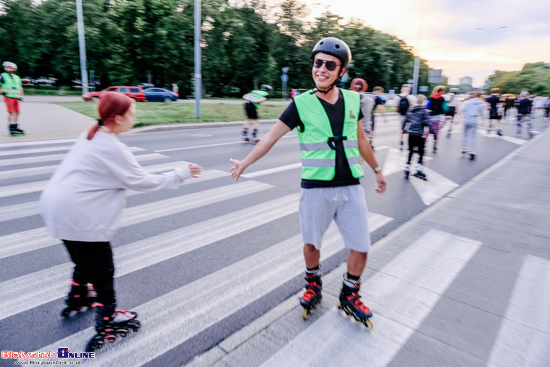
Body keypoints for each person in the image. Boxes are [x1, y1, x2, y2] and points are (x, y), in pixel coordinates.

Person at [230, 37, 387, 329]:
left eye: (330, 65)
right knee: (312, 243)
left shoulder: (353, 100)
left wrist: (377, 168)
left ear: (341, 72)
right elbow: (270, 137)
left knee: (361, 246)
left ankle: (350, 293)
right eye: (318, 63)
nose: (322, 69)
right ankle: (313, 284)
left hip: (351, 186)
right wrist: (245, 162)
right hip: (316, 188)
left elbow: (362, 140)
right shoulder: (300, 104)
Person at [40, 92, 202, 352]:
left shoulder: (93, 132)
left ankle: (78, 295)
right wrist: (180, 173)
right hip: (79, 215)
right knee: (103, 271)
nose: (135, 119)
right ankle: (107, 321)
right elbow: (142, 181)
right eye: (132, 115)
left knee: (84, 260)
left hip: (57, 208)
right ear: (117, 118)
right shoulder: (110, 146)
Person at [402, 94, 433, 180]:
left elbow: (406, 120)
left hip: (410, 134)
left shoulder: (410, 110)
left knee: (410, 151)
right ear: (423, 101)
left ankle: (407, 168)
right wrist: (432, 130)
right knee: (421, 151)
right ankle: (419, 169)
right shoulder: (423, 111)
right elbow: (427, 122)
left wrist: (403, 129)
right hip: (419, 134)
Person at [0, 61, 25, 135]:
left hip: (16, 98)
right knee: (11, 112)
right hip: (8, 97)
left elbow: (20, 87)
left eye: (8, 67)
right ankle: (11, 128)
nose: (6, 68)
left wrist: (21, 96)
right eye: (5, 67)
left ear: (14, 69)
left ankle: (15, 126)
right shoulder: (2, 75)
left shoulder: (17, 77)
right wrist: (2, 92)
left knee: (17, 112)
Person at [350, 78, 375, 151]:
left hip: (351, 135)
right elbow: (370, 118)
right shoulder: (370, 100)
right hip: (365, 134)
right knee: (360, 161)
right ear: (365, 87)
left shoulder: (347, 99)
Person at [461, 91, 484, 160]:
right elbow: (482, 112)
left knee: (464, 134)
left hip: (466, 119)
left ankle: (463, 148)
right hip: (474, 119)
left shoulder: (467, 102)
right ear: (479, 96)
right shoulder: (480, 103)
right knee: (473, 136)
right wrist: (483, 119)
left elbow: (461, 110)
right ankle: (472, 151)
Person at [425, 85, 447, 152]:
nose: (443, 92)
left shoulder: (430, 98)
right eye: (442, 91)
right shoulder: (442, 99)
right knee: (436, 132)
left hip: (430, 116)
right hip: (437, 117)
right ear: (440, 91)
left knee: (427, 132)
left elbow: (426, 106)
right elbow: (445, 108)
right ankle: (434, 146)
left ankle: (424, 144)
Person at [395, 84, 417, 150]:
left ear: (401, 90)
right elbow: (414, 107)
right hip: (411, 116)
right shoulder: (412, 97)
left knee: (402, 130)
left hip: (401, 115)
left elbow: (396, 108)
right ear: (409, 90)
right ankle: (411, 145)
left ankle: (401, 143)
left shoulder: (397, 97)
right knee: (411, 130)